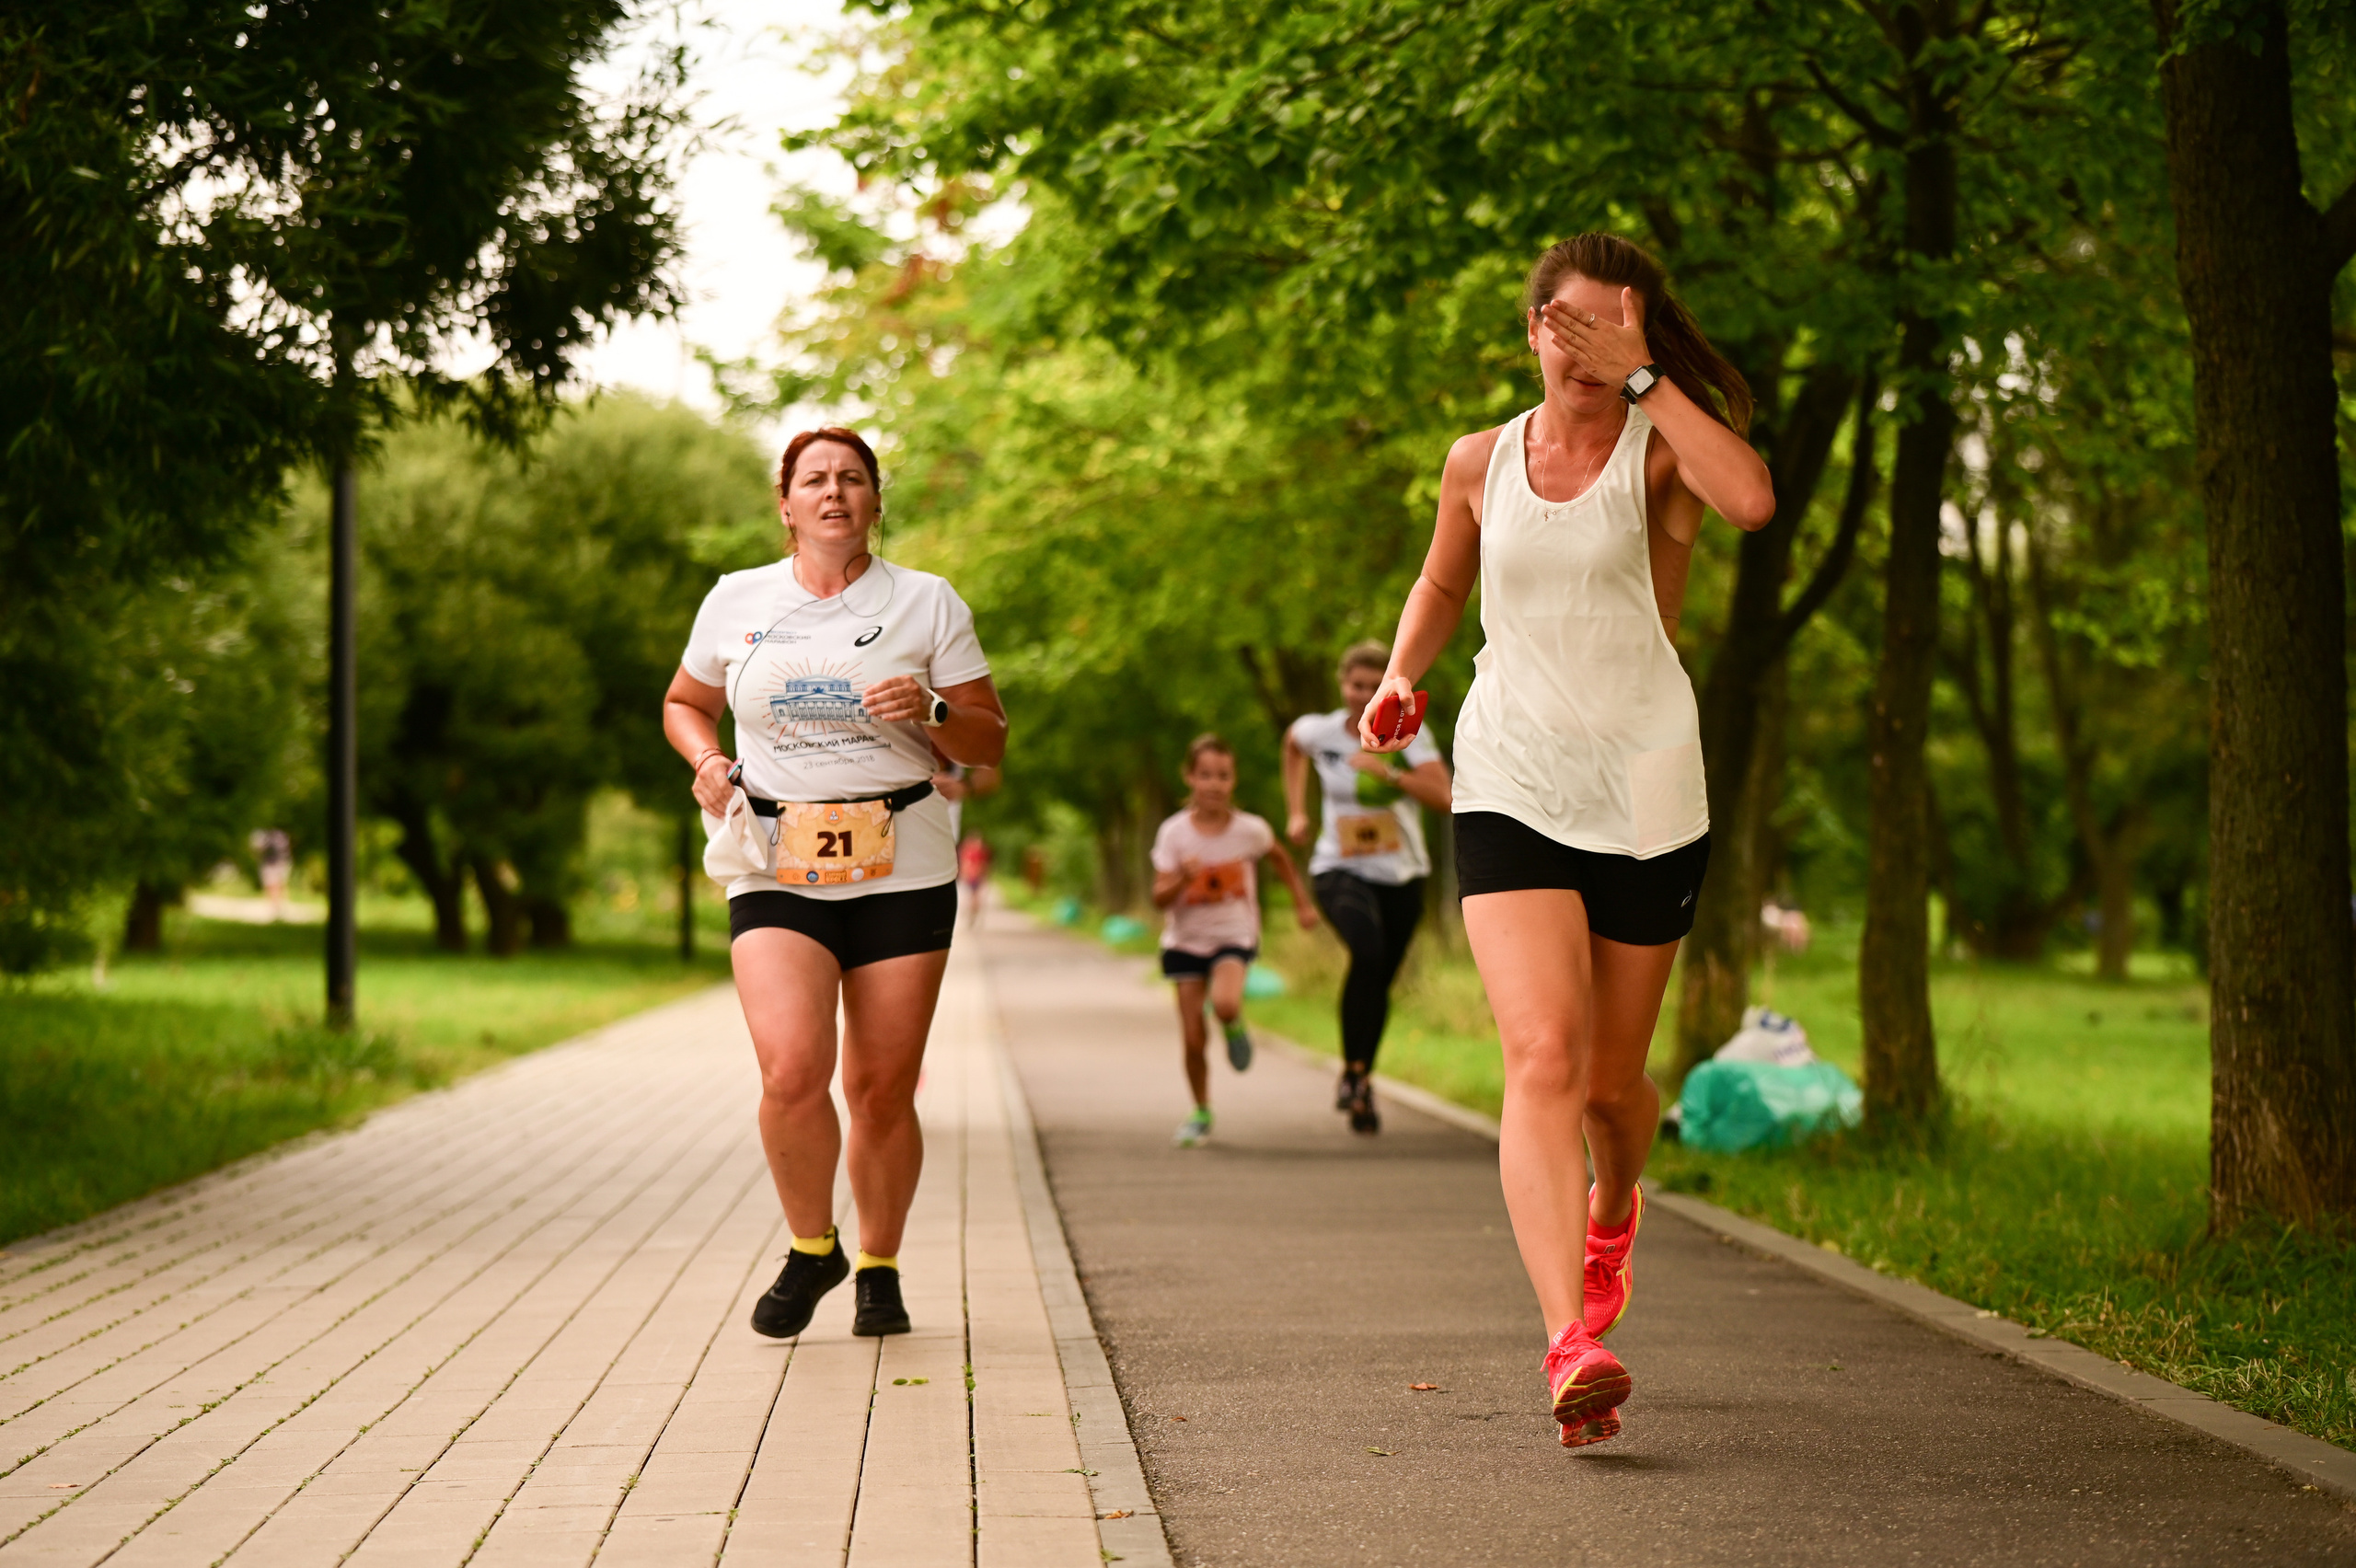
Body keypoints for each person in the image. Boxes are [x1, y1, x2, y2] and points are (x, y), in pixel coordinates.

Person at [1358, 234, 1774, 1447]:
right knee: (1540, 1056)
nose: (1585, 349)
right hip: (1512, 779)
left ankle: (1615, 1203)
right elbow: (1444, 586)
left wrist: (1649, 379)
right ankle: (1570, 1341)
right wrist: (1401, 675)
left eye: (1612, 328)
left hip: (1647, 785)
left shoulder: (1664, 450)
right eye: (1569, 325)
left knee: (1607, 1086)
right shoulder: (1479, 459)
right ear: (1534, 329)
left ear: (1638, 335)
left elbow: (1751, 500)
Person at [663, 425, 1008, 1343]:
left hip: (904, 862)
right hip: (775, 858)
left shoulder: (927, 603)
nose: (832, 493)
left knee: (883, 1088)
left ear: (874, 501)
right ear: (785, 504)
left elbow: (988, 736)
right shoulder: (737, 600)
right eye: (813, 479)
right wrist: (705, 761)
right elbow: (684, 703)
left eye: (851, 479)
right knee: (789, 1067)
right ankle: (812, 1246)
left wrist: (935, 711)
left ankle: (879, 1265)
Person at [1283, 640, 1453, 1134]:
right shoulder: (1322, 731)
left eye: (1371, 685)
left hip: (1402, 875)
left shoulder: (1410, 736)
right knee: (1368, 951)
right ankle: (1354, 1075)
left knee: (1379, 977)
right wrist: (1296, 809)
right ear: (1342, 684)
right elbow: (1292, 745)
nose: (1361, 694)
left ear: (1387, 686)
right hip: (1338, 867)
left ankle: (1360, 1077)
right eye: (1354, 684)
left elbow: (1443, 797)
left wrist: (1389, 774)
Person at [1150, 733, 1318, 1147]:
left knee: (1225, 1005)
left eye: (1223, 776)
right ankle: (1201, 1110)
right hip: (1184, 941)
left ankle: (1234, 1026)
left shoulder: (1250, 830)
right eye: (1205, 774)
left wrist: (1302, 904)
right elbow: (1157, 897)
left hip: (1233, 935)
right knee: (1192, 1037)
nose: (1214, 784)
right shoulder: (1174, 834)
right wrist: (1181, 878)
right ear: (1189, 777)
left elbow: (1280, 858)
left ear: (1233, 781)